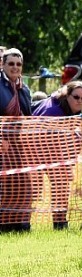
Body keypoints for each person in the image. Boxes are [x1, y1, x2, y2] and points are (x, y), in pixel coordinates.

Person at [32, 80, 82, 229]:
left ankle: (60, 223)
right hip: (34, 148)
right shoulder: (53, 112)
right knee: (32, 190)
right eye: (76, 97)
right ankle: (19, 224)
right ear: (67, 95)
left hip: (57, 153)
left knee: (62, 185)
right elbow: (42, 141)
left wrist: (67, 163)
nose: (80, 101)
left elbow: (77, 137)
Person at [0, 48, 33, 232]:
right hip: (1, 144)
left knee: (22, 186)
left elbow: (27, 116)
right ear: (2, 65)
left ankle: (21, 226)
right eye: (11, 63)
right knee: (3, 188)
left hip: (18, 145)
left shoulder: (25, 89)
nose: (15, 67)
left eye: (18, 64)